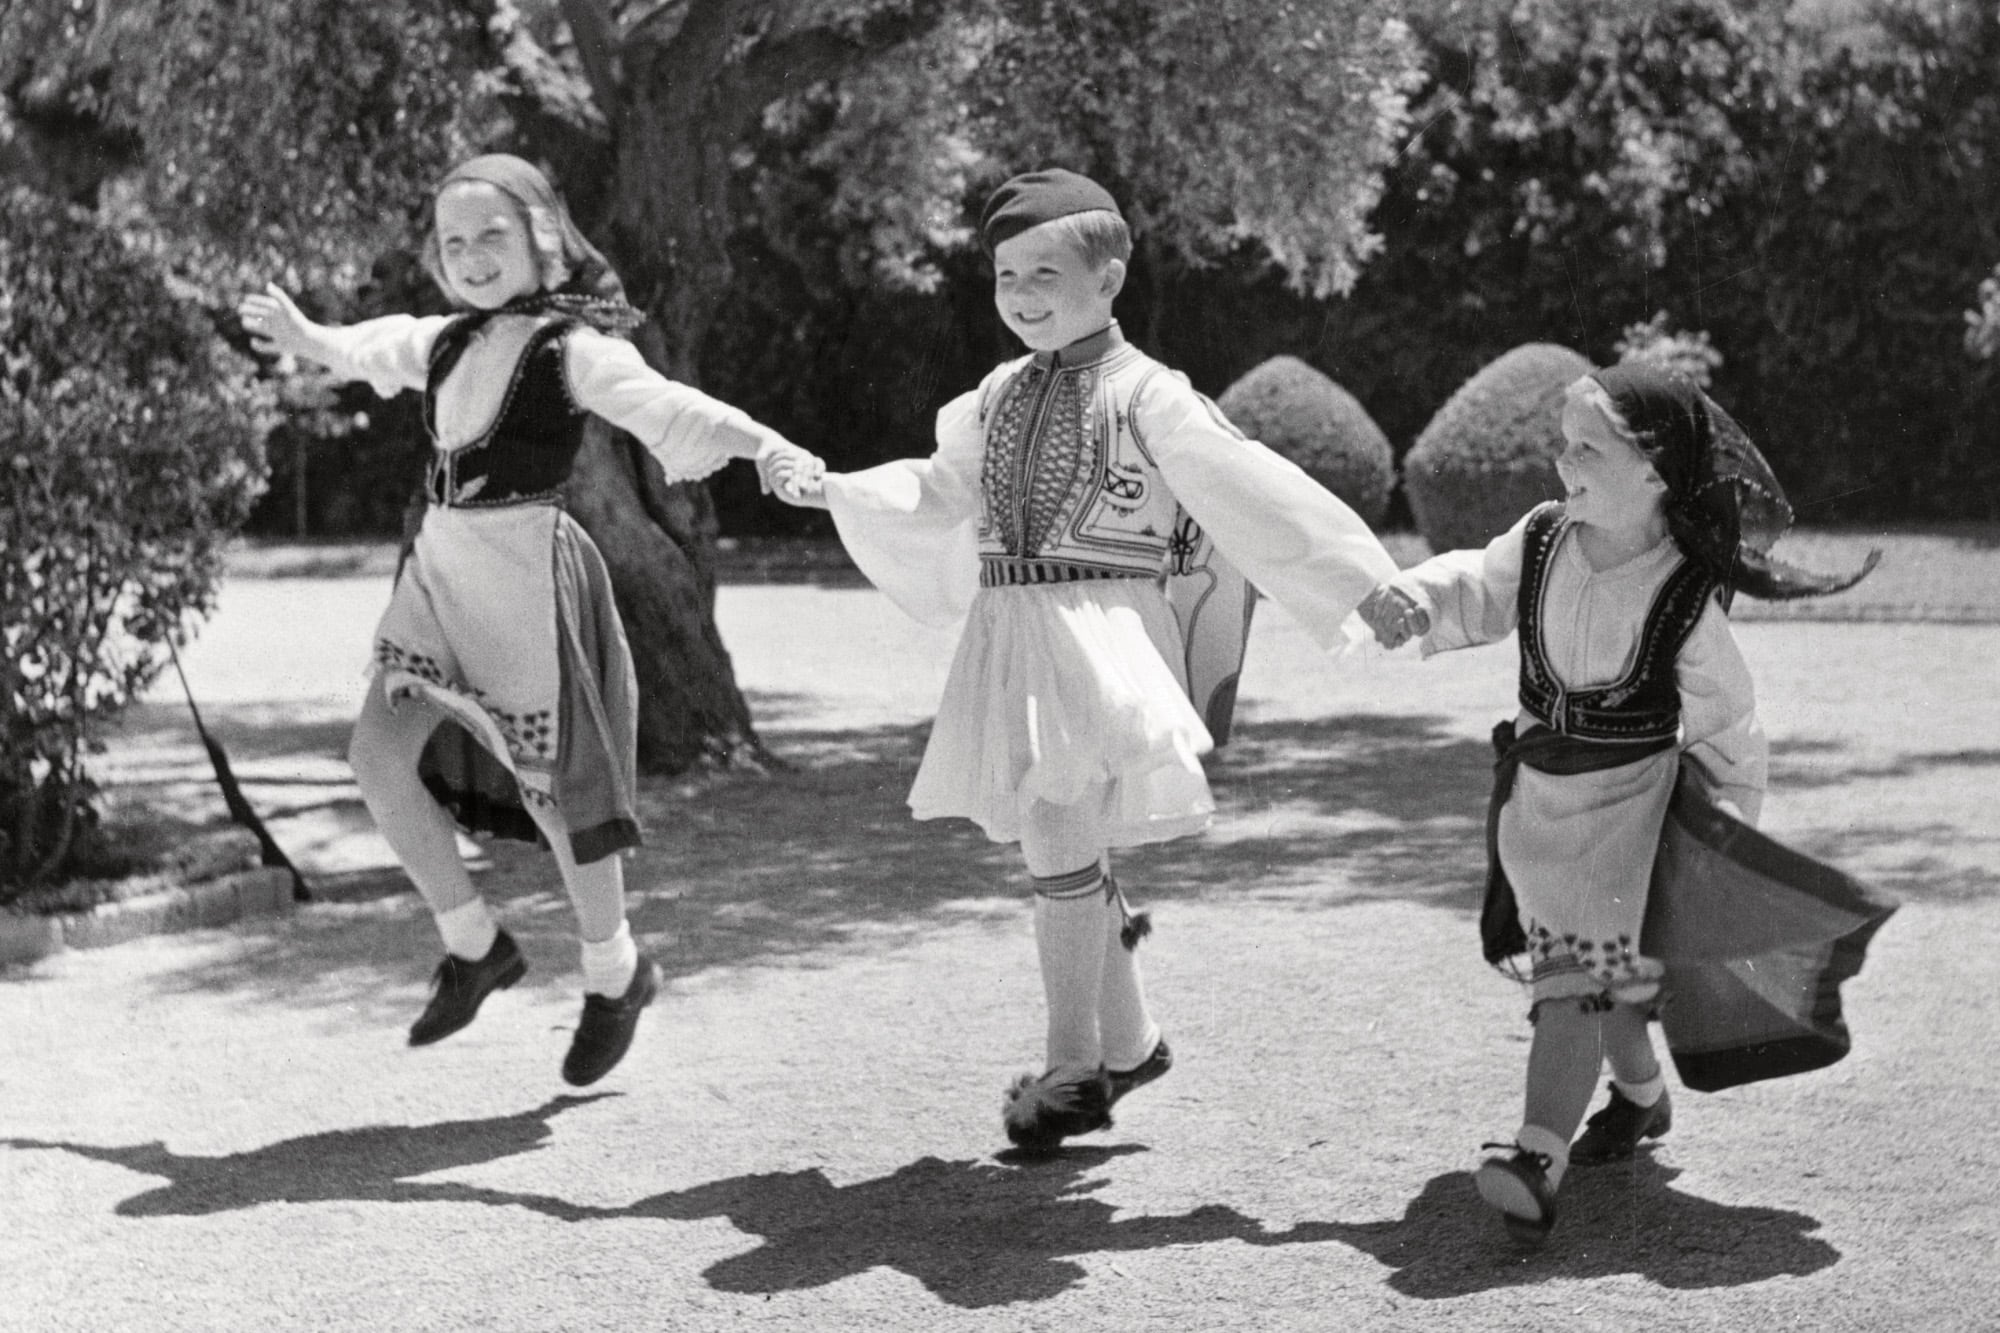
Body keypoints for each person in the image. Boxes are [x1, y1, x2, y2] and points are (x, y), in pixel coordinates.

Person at [770, 168, 1400, 1151]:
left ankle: (1070, 1068)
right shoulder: (990, 397)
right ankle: (1132, 1039)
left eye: (1045, 271)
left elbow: (1251, 487)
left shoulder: (1150, 393)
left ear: (1107, 280)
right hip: (1010, 632)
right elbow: (938, 492)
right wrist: (833, 488)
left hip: (1103, 629)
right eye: (1005, 273)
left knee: (1058, 818)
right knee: (1057, 832)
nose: (1021, 292)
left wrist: (1365, 582)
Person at [238, 154, 812, 1086]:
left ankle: (615, 971)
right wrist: (309, 336)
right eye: (453, 241)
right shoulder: (446, 341)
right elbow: (370, 345)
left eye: (492, 236)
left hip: (525, 577)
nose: (470, 255)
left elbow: (670, 407)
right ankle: (475, 944)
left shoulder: (574, 349)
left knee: (559, 799)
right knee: (377, 757)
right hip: (439, 571)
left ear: (545, 241)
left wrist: (767, 445)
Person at [1359, 364, 1888, 1246]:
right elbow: (1474, 586)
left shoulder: (1682, 594)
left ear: (1656, 472)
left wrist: (1717, 840)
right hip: (1540, 808)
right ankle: (1640, 1096)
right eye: (1563, 443)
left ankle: (1535, 1153)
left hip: (1628, 821)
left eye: (1588, 447)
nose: (1565, 462)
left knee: (1577, 983)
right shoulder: (1539, 541)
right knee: (1613, 991)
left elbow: (1728, 723)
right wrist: (1418, 599)